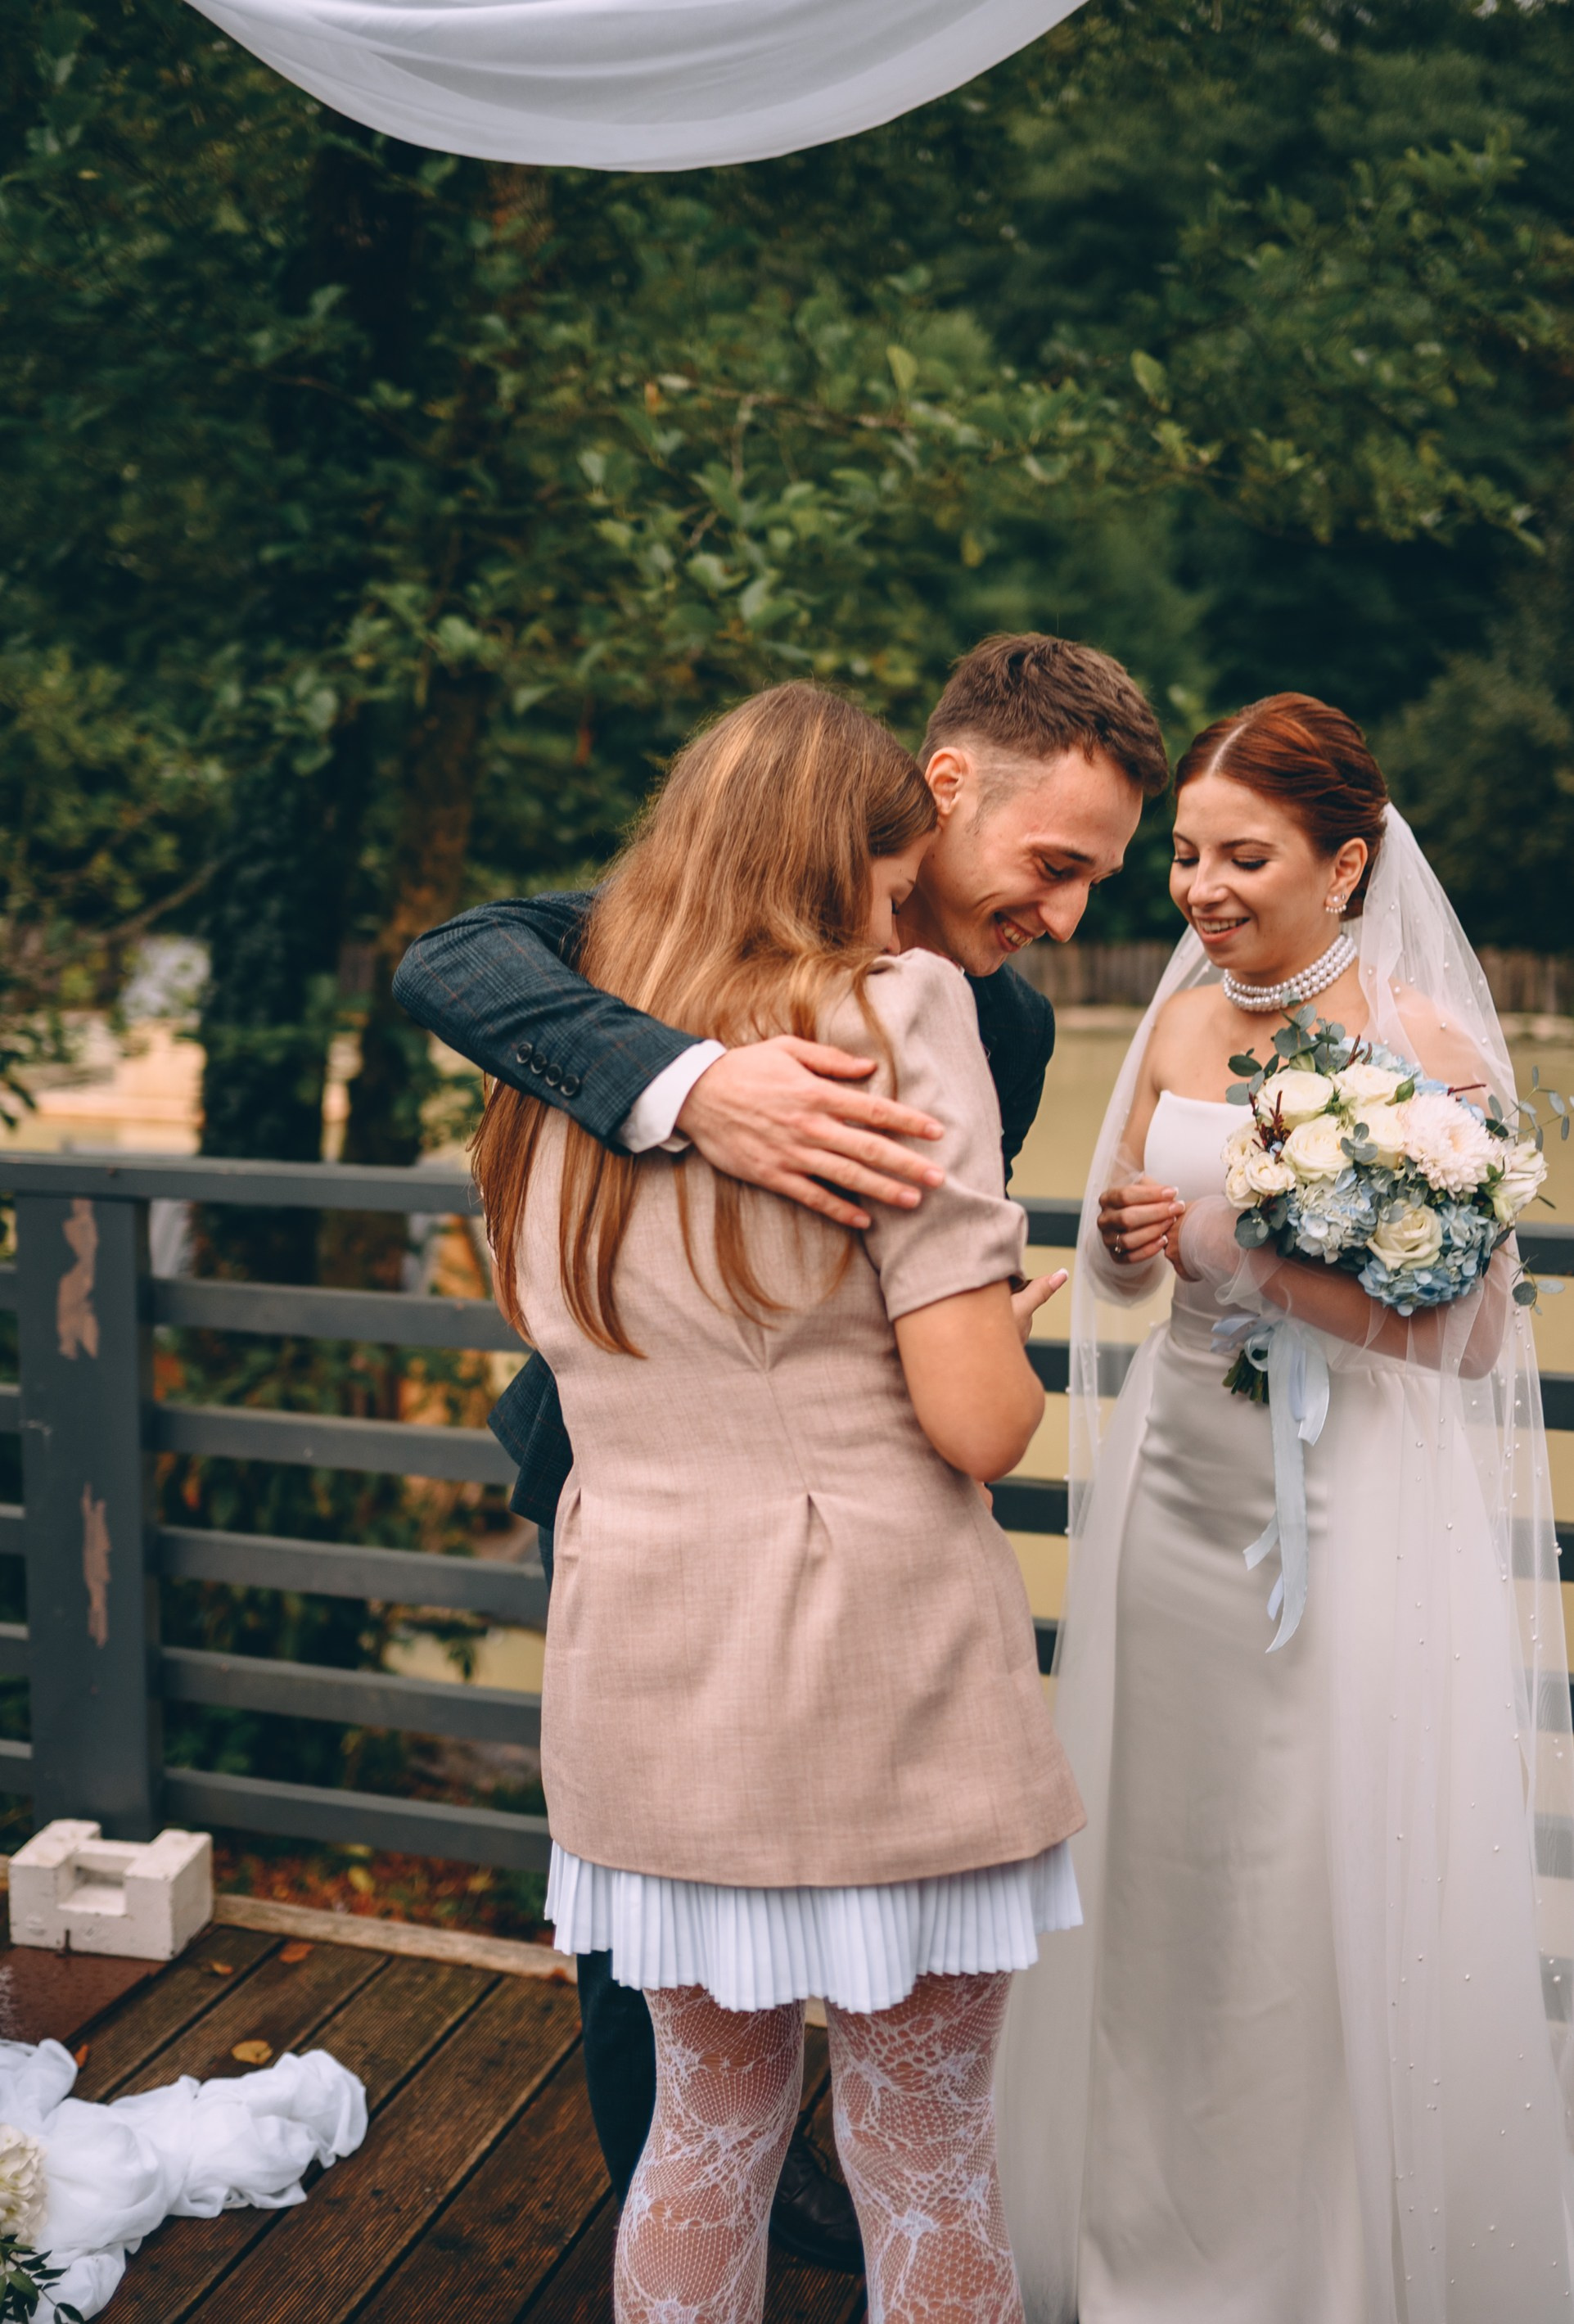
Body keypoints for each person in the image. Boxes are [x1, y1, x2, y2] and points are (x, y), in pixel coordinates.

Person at [393, 630, 1171, 2259]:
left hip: (665, 1530)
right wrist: (686, 1085)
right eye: (1051, 864)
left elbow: (865, 1281)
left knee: (706, 2086)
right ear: (937, 791)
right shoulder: (659, 980)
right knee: (900, 2126)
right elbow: (446, 958)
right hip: (773, 1557)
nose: (1063, 914)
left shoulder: (998, 1023)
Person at [994, 695, 1574, 2322]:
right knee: (1171, 1864)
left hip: (1350, 1506)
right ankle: (1140, 2241)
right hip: (1180, 1486)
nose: (1196, 886)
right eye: (1181, 852)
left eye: (1239, 854)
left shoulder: (1431, 1053)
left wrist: (1256, 1261)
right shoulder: (1177, 1024)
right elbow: (1123, 1265)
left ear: (1346, 857)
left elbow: (1463, 1338)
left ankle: (1307, 2259)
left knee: (1309, 1869)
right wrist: (1121, 1238)